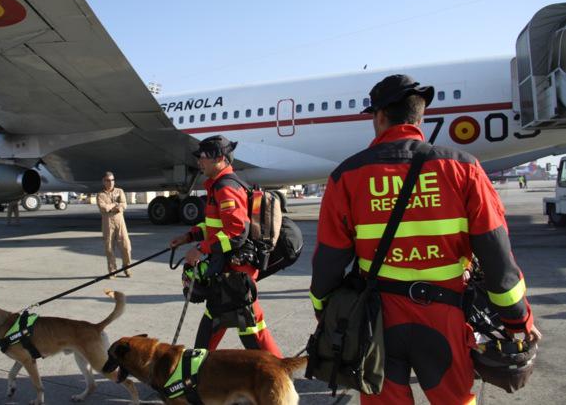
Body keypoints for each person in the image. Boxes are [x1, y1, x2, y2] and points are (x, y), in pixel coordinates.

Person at [309, 74, 540, 404]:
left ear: (379, 116)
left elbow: (328, 261)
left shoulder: (347, 175)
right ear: (420, 117)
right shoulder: (464, 169)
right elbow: (497, 259)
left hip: (376, 322)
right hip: (445, 317)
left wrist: (325, 312)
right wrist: (518, 321)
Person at [170, 135, 282, 357]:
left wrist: (201, 249)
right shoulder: (217, 186)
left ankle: (277, 372)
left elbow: (236, 232)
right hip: (229, 269)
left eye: (202, 157)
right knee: (219, 318)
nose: (199, 162)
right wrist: (189, 236)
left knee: (248, 324)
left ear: (219, 158)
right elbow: (215, 226)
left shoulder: (226, 188)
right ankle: (197, 369)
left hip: (237, 270)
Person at [97, 171, 132, 278]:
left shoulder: (119, 191)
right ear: (104, 181)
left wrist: (113, 206)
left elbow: (124, 205)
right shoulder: (100, 195)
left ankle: (127, 268)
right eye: (108, 180)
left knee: (126, 246)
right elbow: (103, 208)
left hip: (120, 222)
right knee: (109, 248)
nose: (111, 182)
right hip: (107, 223)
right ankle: (112, 271)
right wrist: (115, 205)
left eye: (112, 180)